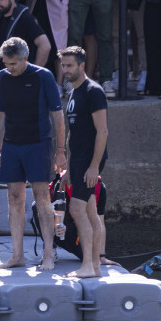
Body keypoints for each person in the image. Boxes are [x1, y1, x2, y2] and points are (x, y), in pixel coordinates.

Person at [0, 36, 64, 270]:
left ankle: (47, 254)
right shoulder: (1, 77)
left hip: (38, 143)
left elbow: (57, 114)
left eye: (13, 64)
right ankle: (17, 255)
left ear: (25, 58)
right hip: (12, 145)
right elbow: (0, 115)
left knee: (42, 198)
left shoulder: (43, 76)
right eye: (6, 63)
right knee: (14, 198)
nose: (9, 68)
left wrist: (60, 150)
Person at [58, 46, 108, 278]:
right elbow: (72, 133)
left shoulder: (93, 91)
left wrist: (94, 166)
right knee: (89, 211)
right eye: (63, 65)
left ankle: (88, 265)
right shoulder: (72, 93)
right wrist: (68, 166)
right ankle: (95, 265)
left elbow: (103, 131)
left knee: (77, 209)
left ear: (81, 65)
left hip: (90, 160)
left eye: (69, 66)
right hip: (77, 160)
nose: (65, 70)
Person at [0, 0, 51, 76]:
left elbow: (45, 46)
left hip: (22, 76)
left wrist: (33, 75)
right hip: (4, 79)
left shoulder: (25, 17)